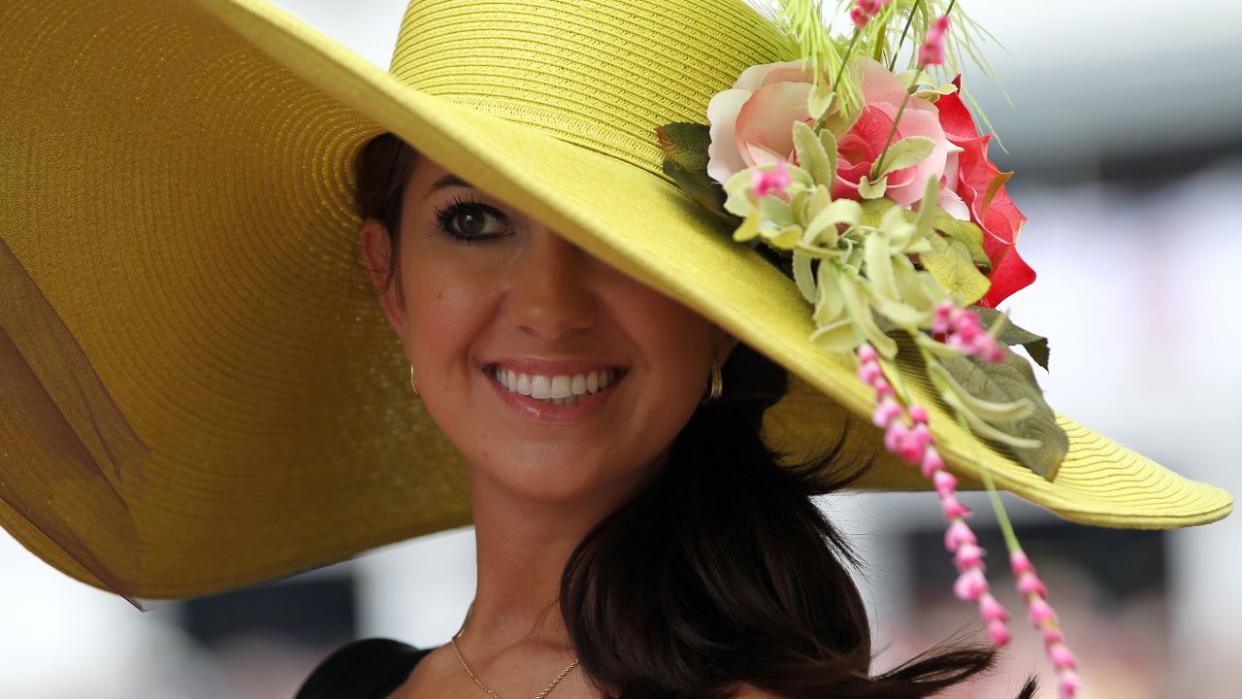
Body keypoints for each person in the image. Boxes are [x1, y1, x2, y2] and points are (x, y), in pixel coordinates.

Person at [0, 1, 1231, 698]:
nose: (546, 305)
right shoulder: (354, 692)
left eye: (621, 246)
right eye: (472, 222)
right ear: (389, 280)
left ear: (723, 309)